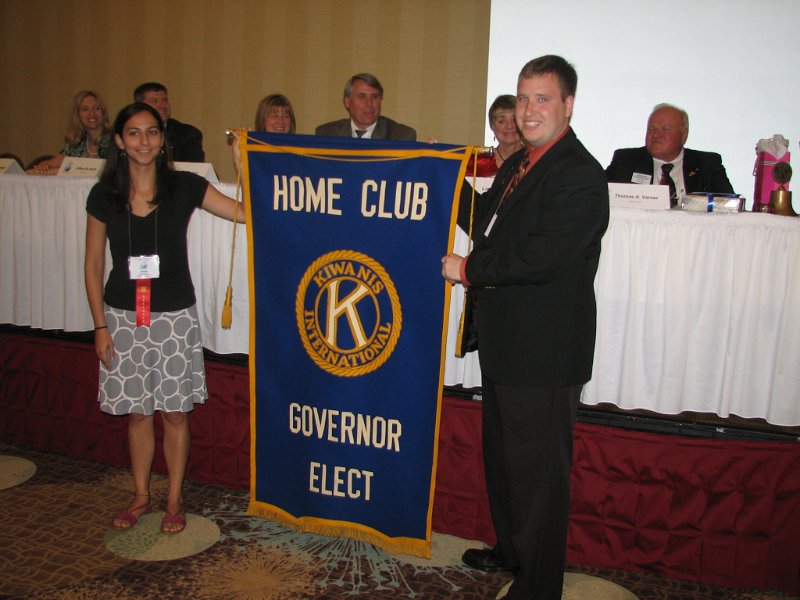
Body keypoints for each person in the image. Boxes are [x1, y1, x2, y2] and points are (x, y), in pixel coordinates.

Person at [441, 55, 609, 599]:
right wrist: (436, 173)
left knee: (538, 480)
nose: (528, 110)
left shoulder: (579, 174)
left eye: (542, 99)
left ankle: (538, 588)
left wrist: (467, 269)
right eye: (522, 98)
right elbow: (485, 220)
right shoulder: (523, 163)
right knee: (507, 462)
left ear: (568, 105)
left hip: (544, 353)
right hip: (508, 346)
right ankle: (512, 551)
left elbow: (539, 259)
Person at [84, 102, 244, 534]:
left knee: (174, 413)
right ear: (119, 141)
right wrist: (100, 325)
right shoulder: (104, 195)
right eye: (133, 133)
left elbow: (244, 215)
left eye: (152, 132)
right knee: (138, 413)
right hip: (122, 315)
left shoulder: (185, 186)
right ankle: (141, 494)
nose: (144, 141)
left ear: (162, 139)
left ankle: (173, 498)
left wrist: (242, 165)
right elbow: (94, 264)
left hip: (174, 316)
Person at [605, 103, 734, 203]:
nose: (655, 134)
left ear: (684, 135)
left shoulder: (707, 164)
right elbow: (602, 198)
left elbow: (729, 204)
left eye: (665, 129)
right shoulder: (626, 161)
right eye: (651, 128)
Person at [27, 90, 111, 175]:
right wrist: (44, 167)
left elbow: (95, 171)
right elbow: (52, 164)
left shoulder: (114, 139)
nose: (92, 113)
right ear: (77, 115)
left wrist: (49, 172)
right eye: (85, 109)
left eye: (96, 108)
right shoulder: (77, 140)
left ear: (103, 112)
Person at [315, 73, 416, 141]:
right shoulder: (326, 135)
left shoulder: (400, 136)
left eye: (375, 97)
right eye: (362, 97)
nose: (369, 104)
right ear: (347, 102)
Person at [133, 82, 205, 162]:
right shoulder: (129, 133)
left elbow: (193, 168)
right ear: (139, 107)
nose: (163, 106)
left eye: (165, 100)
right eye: (155, 101)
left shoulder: (187, 134)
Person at [467, 94, 523, 177]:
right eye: (501, 121)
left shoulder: (535, 161)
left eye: (514, 120)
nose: (509, 126)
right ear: (492, 126)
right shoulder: (475, 164)